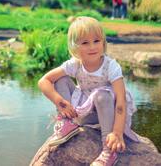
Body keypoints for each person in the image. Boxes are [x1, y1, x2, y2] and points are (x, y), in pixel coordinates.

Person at [38, 17, 139, 166]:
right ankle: (68, 123)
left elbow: (121, 102)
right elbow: (43, 81)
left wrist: (117, 133)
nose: (92, 47)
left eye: (96, 41)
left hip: (107, 115)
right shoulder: (75, 64)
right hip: (85, 112)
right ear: (75, 47)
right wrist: (60, 103)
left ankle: (109, 151)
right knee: (60, 80)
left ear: (103, 42)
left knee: (101, 95)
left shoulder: (111, 67)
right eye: (85, 43)